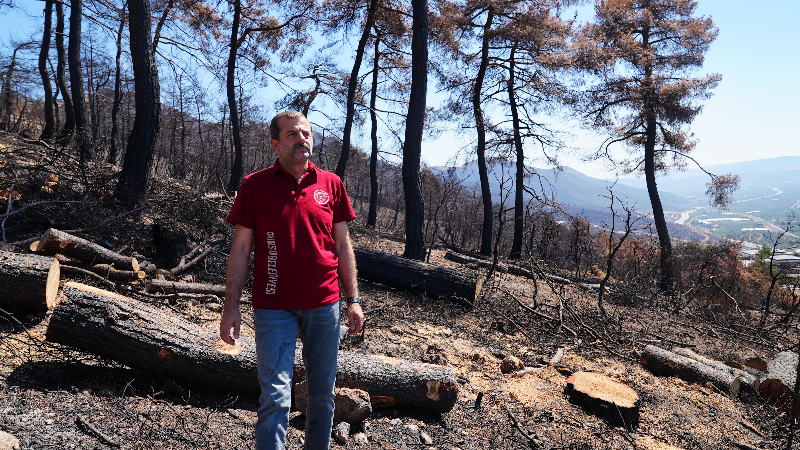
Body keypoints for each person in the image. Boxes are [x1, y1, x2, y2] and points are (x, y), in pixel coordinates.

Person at [220, 110, 364, 450]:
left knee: (322, 395)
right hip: (273, 305)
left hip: (325, 304)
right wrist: (230, 306)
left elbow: (343, 245)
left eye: (306, 133)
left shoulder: (331, 184)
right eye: (292, 134)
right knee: (275, 397)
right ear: (275, 144)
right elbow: (240, 249)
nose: (302, 139)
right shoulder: (255, 185)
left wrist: (353, 299)